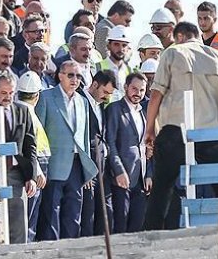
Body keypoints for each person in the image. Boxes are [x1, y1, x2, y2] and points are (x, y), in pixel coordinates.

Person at [143, 21, 218, 230]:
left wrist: (150, 129)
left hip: (175, 130)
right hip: (211, 132)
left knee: (162, 186)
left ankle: (151, 236)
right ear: (196, 35)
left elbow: (156, 93)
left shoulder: (171, 53)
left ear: (179, 37)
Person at [35, 60, 98, 240]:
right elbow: (39, 135)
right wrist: (40, 167)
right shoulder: (45, 97)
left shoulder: (82, 101)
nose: (75, 79)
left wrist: (86, 170)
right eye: (71, 75)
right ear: (60, 76)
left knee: (73, 215)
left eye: (78, 76)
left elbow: (84, 137)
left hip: (77, 166)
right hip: (53, 165)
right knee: (51, 215)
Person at [0, 72, 39, 244]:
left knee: (19, 218)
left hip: (17, 172)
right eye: (4, 93)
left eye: (11, 93)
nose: (8, 97)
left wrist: (31, 177)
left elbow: (30, 145)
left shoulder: (23, 110)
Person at [105, 72, 152, 233]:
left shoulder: (144, 112)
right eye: (134, 88)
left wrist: (149, 174)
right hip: (121, 178)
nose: (137, 93)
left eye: (141, 90)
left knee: (138, 223)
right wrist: (118, 171)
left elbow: (148, 146)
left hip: (140, 179)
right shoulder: (114, 109)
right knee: (120, 224)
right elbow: (110, 143)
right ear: (126, 87)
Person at [14, 72, 51, 243]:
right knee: (28, 217)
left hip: (34, 168)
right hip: (33, 170)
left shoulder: (22, 110)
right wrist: (36, 170)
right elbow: (26, 147)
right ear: (37, 95)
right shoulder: (25, 112)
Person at [80, 70, 116, 237]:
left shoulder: (101, 105)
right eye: (105, 92)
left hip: (103, 169)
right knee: (88, 215)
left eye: (110, 94)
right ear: (94, 85)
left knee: (104, 214)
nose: (107, 97)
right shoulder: (79, 101)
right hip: (87, 169)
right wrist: (85, 170)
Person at [94, 25, 135, 102]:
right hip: (104, 113)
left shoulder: (129, 71)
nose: (120, 49)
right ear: (108, 45)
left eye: (124, 45)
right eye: (116, 44)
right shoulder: (97, 67)